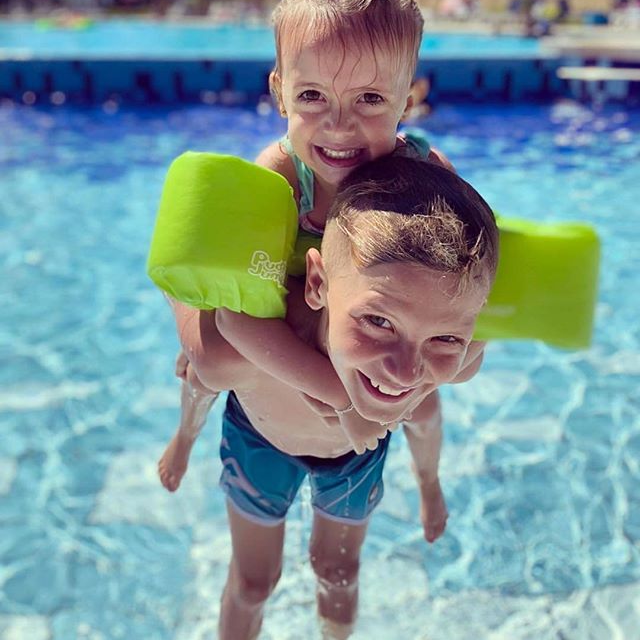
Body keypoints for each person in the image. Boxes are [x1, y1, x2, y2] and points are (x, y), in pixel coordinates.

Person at [169, 155, 499, 640]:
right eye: (379, 322)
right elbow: (206, 369)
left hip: (353, 461)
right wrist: (183, 439)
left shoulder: (449, 362)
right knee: (255, 582)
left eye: (447, 339)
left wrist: (429, 485)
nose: (406, 370)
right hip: (260, 444)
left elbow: (426, 421)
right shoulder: (269, 342)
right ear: (318, 285)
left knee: (338, 574)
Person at [158, 0, 453, 492]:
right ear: (280, 92)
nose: (339, 126)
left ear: (408, 99)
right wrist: (342, 401)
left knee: (424, 397)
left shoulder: (427, 178)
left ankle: (429, 479)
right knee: (206, 364)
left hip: (352, 311)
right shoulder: (281, 176)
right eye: (312, 96)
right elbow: (237, 314)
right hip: (274, 289)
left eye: (370, 99)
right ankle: (184, 433)